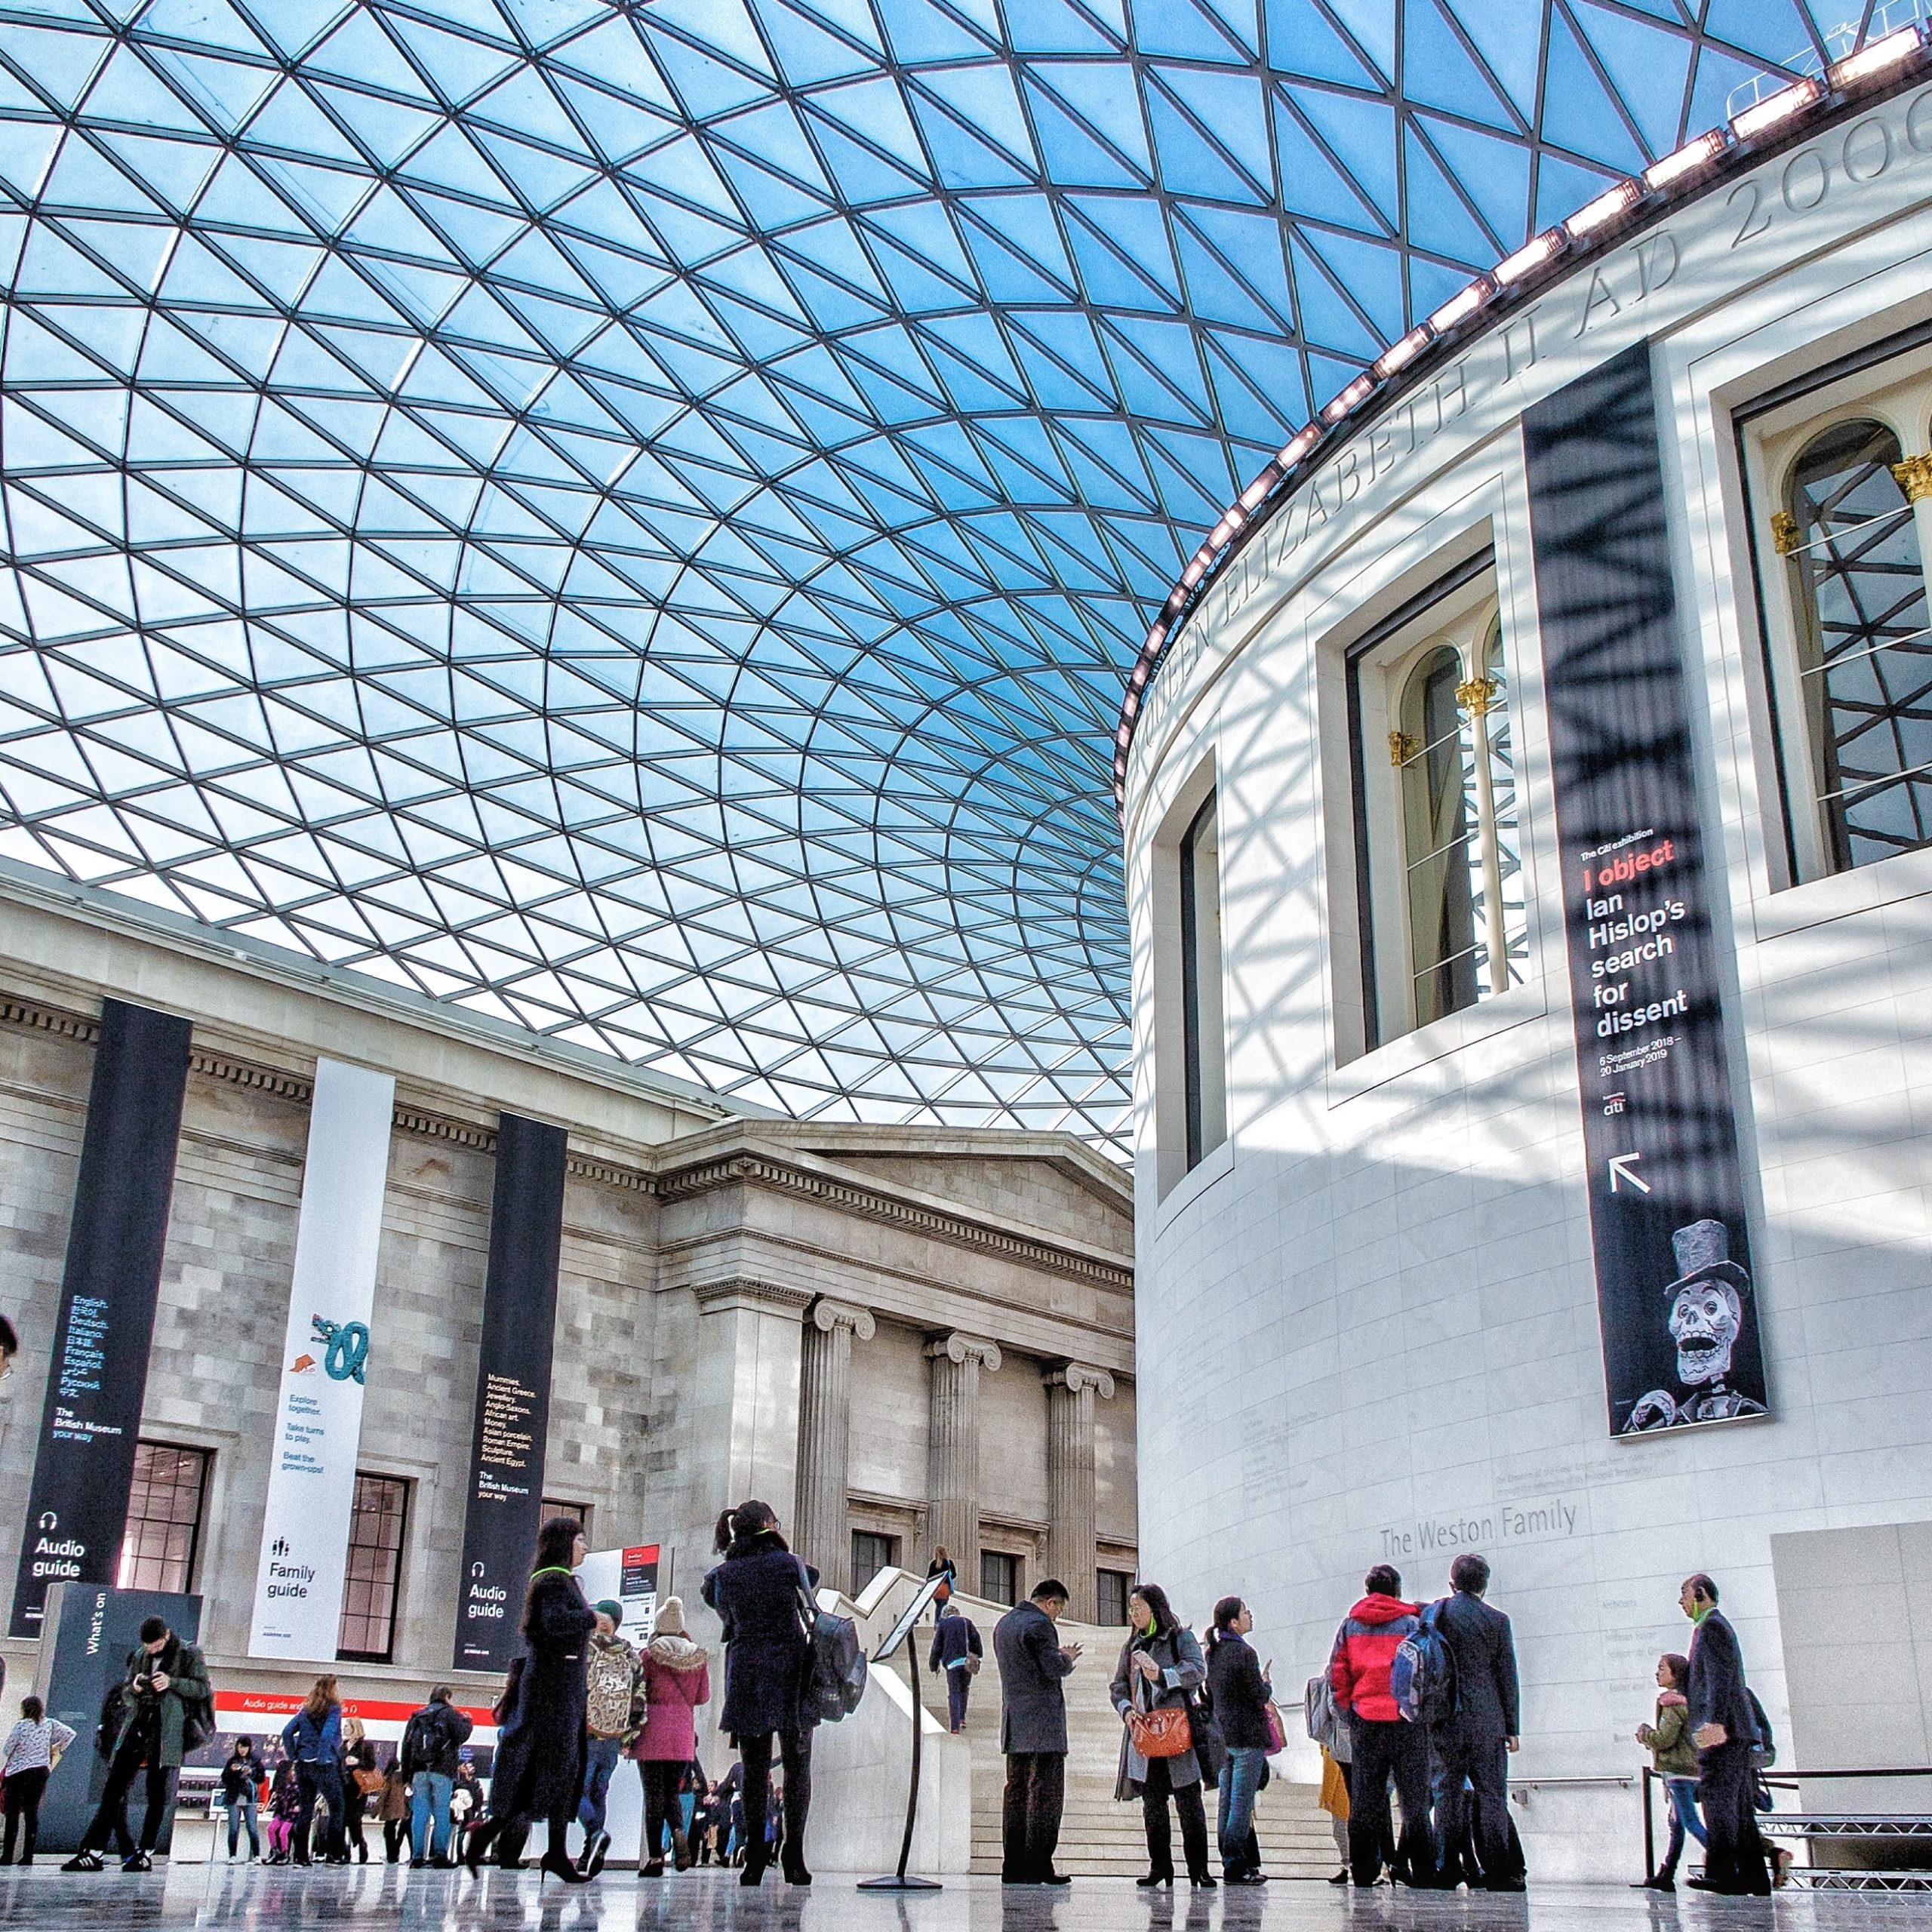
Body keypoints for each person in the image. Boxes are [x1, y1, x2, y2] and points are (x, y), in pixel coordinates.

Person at [465, 1515, 598, 1884]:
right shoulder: (555, 1581)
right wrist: (591, 1618)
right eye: (580, 1540)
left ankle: (540, 1847)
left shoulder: (553, 1579)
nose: (584, 1547)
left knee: (553, 1768)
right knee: (558, 1766)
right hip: (554, 1689)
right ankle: (547, 1849)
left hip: (557, 1686)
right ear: (565, 1544)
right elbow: (555, 1622)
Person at [703, 1498, 819, 1888]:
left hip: (747, 1667)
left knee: (753, 1771)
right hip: (789, 1666)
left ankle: (753, 1859)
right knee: (798, 1764)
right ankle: (794, 1855)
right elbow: (812, 1586)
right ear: (770, 1525)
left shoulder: (724, 1573)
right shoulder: (788, 1564)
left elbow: (714, 1602)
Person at [63, 1612, 211, 1872]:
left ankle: (145, 1852)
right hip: (137, 1726)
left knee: (156, 1792)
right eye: (147, 1646)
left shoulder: (189, 1653)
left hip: (167, 1732)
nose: (151, 1650)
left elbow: (201, 1689)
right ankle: (94, 1852)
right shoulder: (141, 1656)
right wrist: (135, 1688)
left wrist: (172, 1682)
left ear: (166, 1636)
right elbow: (127, 1696)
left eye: (155, 1646)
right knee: (113, 1789)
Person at [1329, 1564, 1429, 1887]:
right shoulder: (1412, 1623)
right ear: (1397, 1590)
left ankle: (1363, 1872)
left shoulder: (1350, 1626)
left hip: (1366, 1721)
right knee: (1414, 1801)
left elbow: (1338, 1674)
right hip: (1406, 1721)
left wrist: (1350, 1713)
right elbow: (1424, 1671)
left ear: (1368, 1590)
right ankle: (1423, 1869)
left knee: (1365, 1801)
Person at [1111, 1583, 1214, 1890]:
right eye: (1130, 1609)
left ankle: (1199, 1869)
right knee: (1153, 1805)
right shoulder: (1131, 1647)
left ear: (1155, 1608)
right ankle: (1160, 1867)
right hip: (1144, 1735)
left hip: (1177, 1732)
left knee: (1189, 1803)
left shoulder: (1180, 1638)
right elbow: (1117, 1686)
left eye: (1138, 1608)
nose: (1134, 1614)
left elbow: (1198, 1669)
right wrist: (1127, 1710)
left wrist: (1163, 1675)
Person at [1429, 1553, 1521, 1891]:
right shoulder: (1497, 1620)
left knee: (1447, 1794)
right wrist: (1512, 1726)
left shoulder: (1436, 1615)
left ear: (1452, 1583)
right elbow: (1506, 1676)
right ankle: (1499, 1870)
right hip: (1488, 1720)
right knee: (1492, 1796)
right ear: (1485, 1585)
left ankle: (1446, 1868)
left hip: (1445, 1719)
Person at [1681, 1573, 1770, 1896]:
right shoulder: (1711, 1628)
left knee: (1718, 1802)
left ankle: (1723, 1874)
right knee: (1740, 1810)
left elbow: (1720, 1679)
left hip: (1725, 1731)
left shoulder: (1711, 1628)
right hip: (1734, 1730)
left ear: (1701, 1594)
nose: (1681, 1601)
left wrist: (1715, 1722)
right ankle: (1753, 1877)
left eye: (1685, 1594)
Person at [995, 1577, 1081, 1885]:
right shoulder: (1040, 1625)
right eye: (1058, 1609)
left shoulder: (1004, 1624)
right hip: (1044, 1725)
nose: (1057, 1615)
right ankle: (1039, 1865)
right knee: (1046, 1794)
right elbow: (1052, 1668)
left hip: (1015, 1723)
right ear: (1051, 1603)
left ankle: (1014, 1866)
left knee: (1016, 1792)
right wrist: (1066, 1658)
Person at [631, 1595, 710, 1877]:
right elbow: (702, 1697)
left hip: (652, 1731)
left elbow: (636, 1693)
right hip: (682, 1734)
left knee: (652, 1795)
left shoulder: (649, 1656)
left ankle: (654, 1859)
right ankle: (678, 1829)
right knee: (671, 1794)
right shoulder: (697, 1657)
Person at [1206, 1596, 1272, 1885]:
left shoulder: (1214, 1653)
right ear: (1234, 1622)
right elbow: (1259, 1696)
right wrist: (1267, 1683)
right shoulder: (1246, 1654)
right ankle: (1235, 1864)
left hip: (1224, 1736)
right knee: (1241, 1804)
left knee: (1227, 1802)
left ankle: (1230, 1860)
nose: (1250, 1616)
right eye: (1245, 1612)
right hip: (1248, 1737)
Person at [577, 1598, 644, 1878]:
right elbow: (639, 1699)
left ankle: (595, 1832)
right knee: (599, 1792)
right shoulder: (631, 1655)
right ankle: (587, 1855)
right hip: (614, 1737)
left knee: (575, 1788)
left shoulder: (585, 1648)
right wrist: (630, 1737)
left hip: (586, 1733)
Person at [1633, 1651, 1703, 1890]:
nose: (1657, 1672)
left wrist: (1645, 1735)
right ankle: (1666, 1874)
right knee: (1677, 1825)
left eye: (1662, 1668)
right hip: (1690, 1770)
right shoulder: (1689, 1700)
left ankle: (1727, 1864)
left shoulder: (1672, 1704)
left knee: (1690, 1823)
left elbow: (1665, 1739)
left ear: (1675, 1674)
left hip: (1678, 1773)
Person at [400, 1684, 472, 1867]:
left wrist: (406, 1777)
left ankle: (417, 1857)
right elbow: (461, 1735)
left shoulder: (417, 1716)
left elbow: (406, 1746)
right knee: (441, 1814)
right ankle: (440, 1856)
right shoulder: (451, 1714)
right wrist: (468, 1722)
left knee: (420, 1814)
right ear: (447, 1697)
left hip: (419, 1771)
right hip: (443, 1771)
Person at [281, 1676, 348, 1866]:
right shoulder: (334, 1709)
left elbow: (287, 1732)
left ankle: (301, 1857)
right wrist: (322, 1757)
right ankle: (333, 1854)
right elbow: (327, 1736)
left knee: (306, 1809)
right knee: (337, 1807)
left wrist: (294, 1755)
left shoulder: (306, 1710)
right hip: (323, 1765)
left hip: (303, 1764)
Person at [2, 1694, 75, 1865]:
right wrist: (56, 1747)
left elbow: (7, 1749)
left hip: (18, 1772)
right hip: (40, 1772)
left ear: (24, 1709)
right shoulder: (49, 1724)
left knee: (12, 1814)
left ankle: (7, 1856)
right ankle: (28, 1856)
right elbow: (70, 1733)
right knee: (31, 1812)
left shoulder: (20, 1726)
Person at [929, 1595, 983, 1734]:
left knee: (954, 1693)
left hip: (952, 1665)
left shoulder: (943, 1625)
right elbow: (976, 1640)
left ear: (945, 1615)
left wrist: (933, 1664)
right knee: (964, 1690)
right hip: (967, 1663)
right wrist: (978, 1655)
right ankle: (962, 1719)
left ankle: (954, 1727)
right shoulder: (967, 1622)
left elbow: (937, 1647)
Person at [219, 1735, 263, 1863]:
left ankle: (256, 1855)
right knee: (233, 1827)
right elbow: (224, 1779)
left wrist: (251, 1772)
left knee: (252, 1827)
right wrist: (232, 1771)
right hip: (234, 1797)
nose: (243, 1750)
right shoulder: (232, 1760)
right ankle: (232, 1855)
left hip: (250, 1798)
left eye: (245, 1747)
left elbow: (261, 1778)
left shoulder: (255, 1760)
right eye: (240, 1747)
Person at [340, 1715, 377, 1863]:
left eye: (347, 1726)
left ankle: (360, 1843)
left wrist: (357, 1762)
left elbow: (371, 1765)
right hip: (343, 1786)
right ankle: (343, 1850)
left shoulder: (366, 1746)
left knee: (354, 1819)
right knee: (341, 1820)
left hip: (358, 1788)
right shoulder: (342, 1746)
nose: (344, 1728)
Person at [264, 1758, 298, 1863]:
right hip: (281, 1811)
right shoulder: (282, 1783)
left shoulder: (297, 1786)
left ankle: (285, 1853)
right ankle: (275, 1851)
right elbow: (276, 1791)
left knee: (283, 1833)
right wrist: (276, 1796)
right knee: (271, 1829)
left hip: (291, 1813)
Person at [377, 1758, 410, 1863]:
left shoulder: (390, 1778)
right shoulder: (404, 1777)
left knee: (388, 1831)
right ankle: (399, 1854)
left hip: (391, 1810)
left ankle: (392, 1856)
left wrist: (374, 1812)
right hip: (403, 1809)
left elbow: (383, 1796)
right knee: (404, 1831)